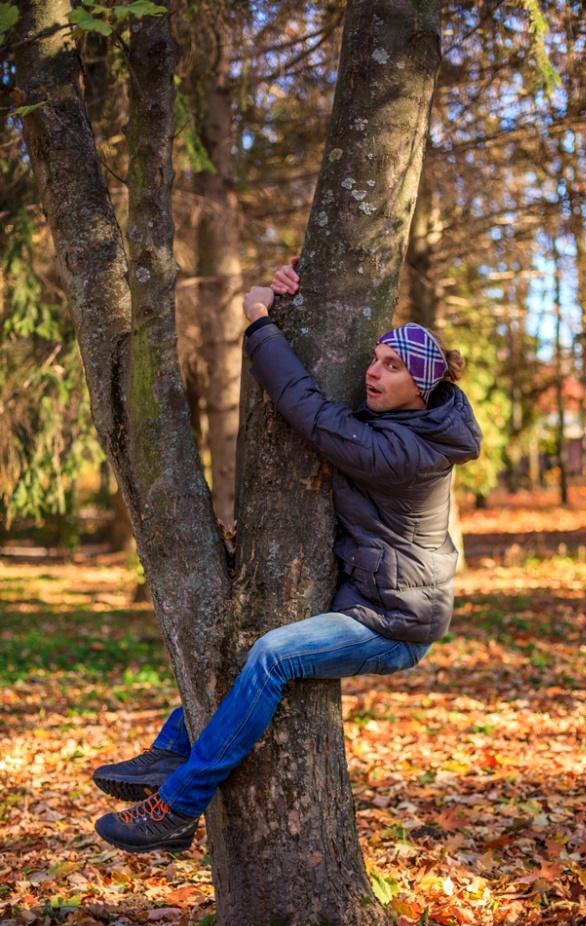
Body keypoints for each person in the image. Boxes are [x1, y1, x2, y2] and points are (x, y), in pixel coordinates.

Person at [92, 258, 482, 853]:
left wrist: (258, 323)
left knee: (272, 654)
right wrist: (297, 297)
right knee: (259, 634)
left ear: (421, 387)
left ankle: (176, 805)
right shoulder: (409, 422)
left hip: (397, 622)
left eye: (392, 367)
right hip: (367, 597)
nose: (373, 374)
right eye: (375, 359)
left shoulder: (404, 451)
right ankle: (170, 749)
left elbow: (308, 411)